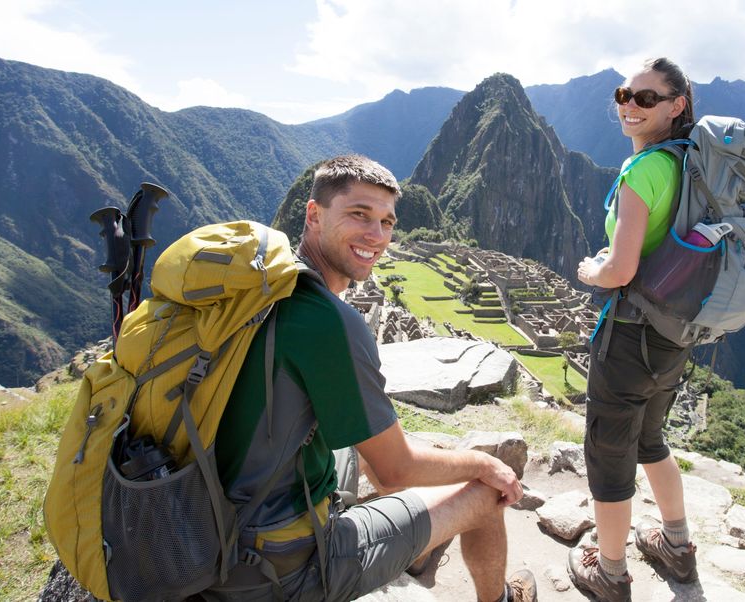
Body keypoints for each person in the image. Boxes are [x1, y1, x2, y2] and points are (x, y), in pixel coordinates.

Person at [205, 155, 537, 602]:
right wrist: (485, 463)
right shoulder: (329, 322)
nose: (376, 236)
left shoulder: (260, 288)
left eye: (386, 221)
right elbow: (395, 467)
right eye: (359, 215)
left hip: (211, 520)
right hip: (280, 565)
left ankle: (414, 552)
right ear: (313, 214)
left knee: (357, 447)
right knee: (484, 493)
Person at [568, 58, 699, 601]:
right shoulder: (690, 162)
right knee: (651, 437)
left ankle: (612, 571)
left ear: (676, 106)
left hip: (630, 336)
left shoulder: (643, 170)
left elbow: (619, 271)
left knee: (609, 451)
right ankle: (677, 545)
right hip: (675, 332)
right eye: (625, 94)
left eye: (646, 98)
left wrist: (591, 270)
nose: (630, 105)